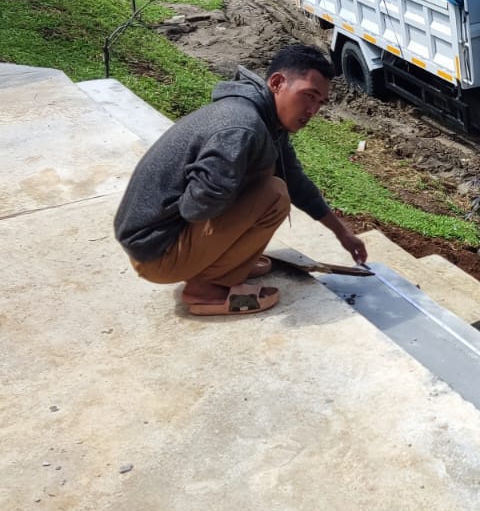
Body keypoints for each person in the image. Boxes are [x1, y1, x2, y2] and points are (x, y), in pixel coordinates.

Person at [114, 44, 368, 316]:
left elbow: (296, 181)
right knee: (273, 195)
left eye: (320, 102)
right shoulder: (243, 128)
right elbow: (195, 208)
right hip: (157, 254)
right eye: (308, 95)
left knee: (275, 182)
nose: (313, 110)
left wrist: (342, 232)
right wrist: (240, 178)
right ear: (278, 83)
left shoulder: (264, 118)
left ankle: (226, 263)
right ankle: (206, 289)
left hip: (155, 240)